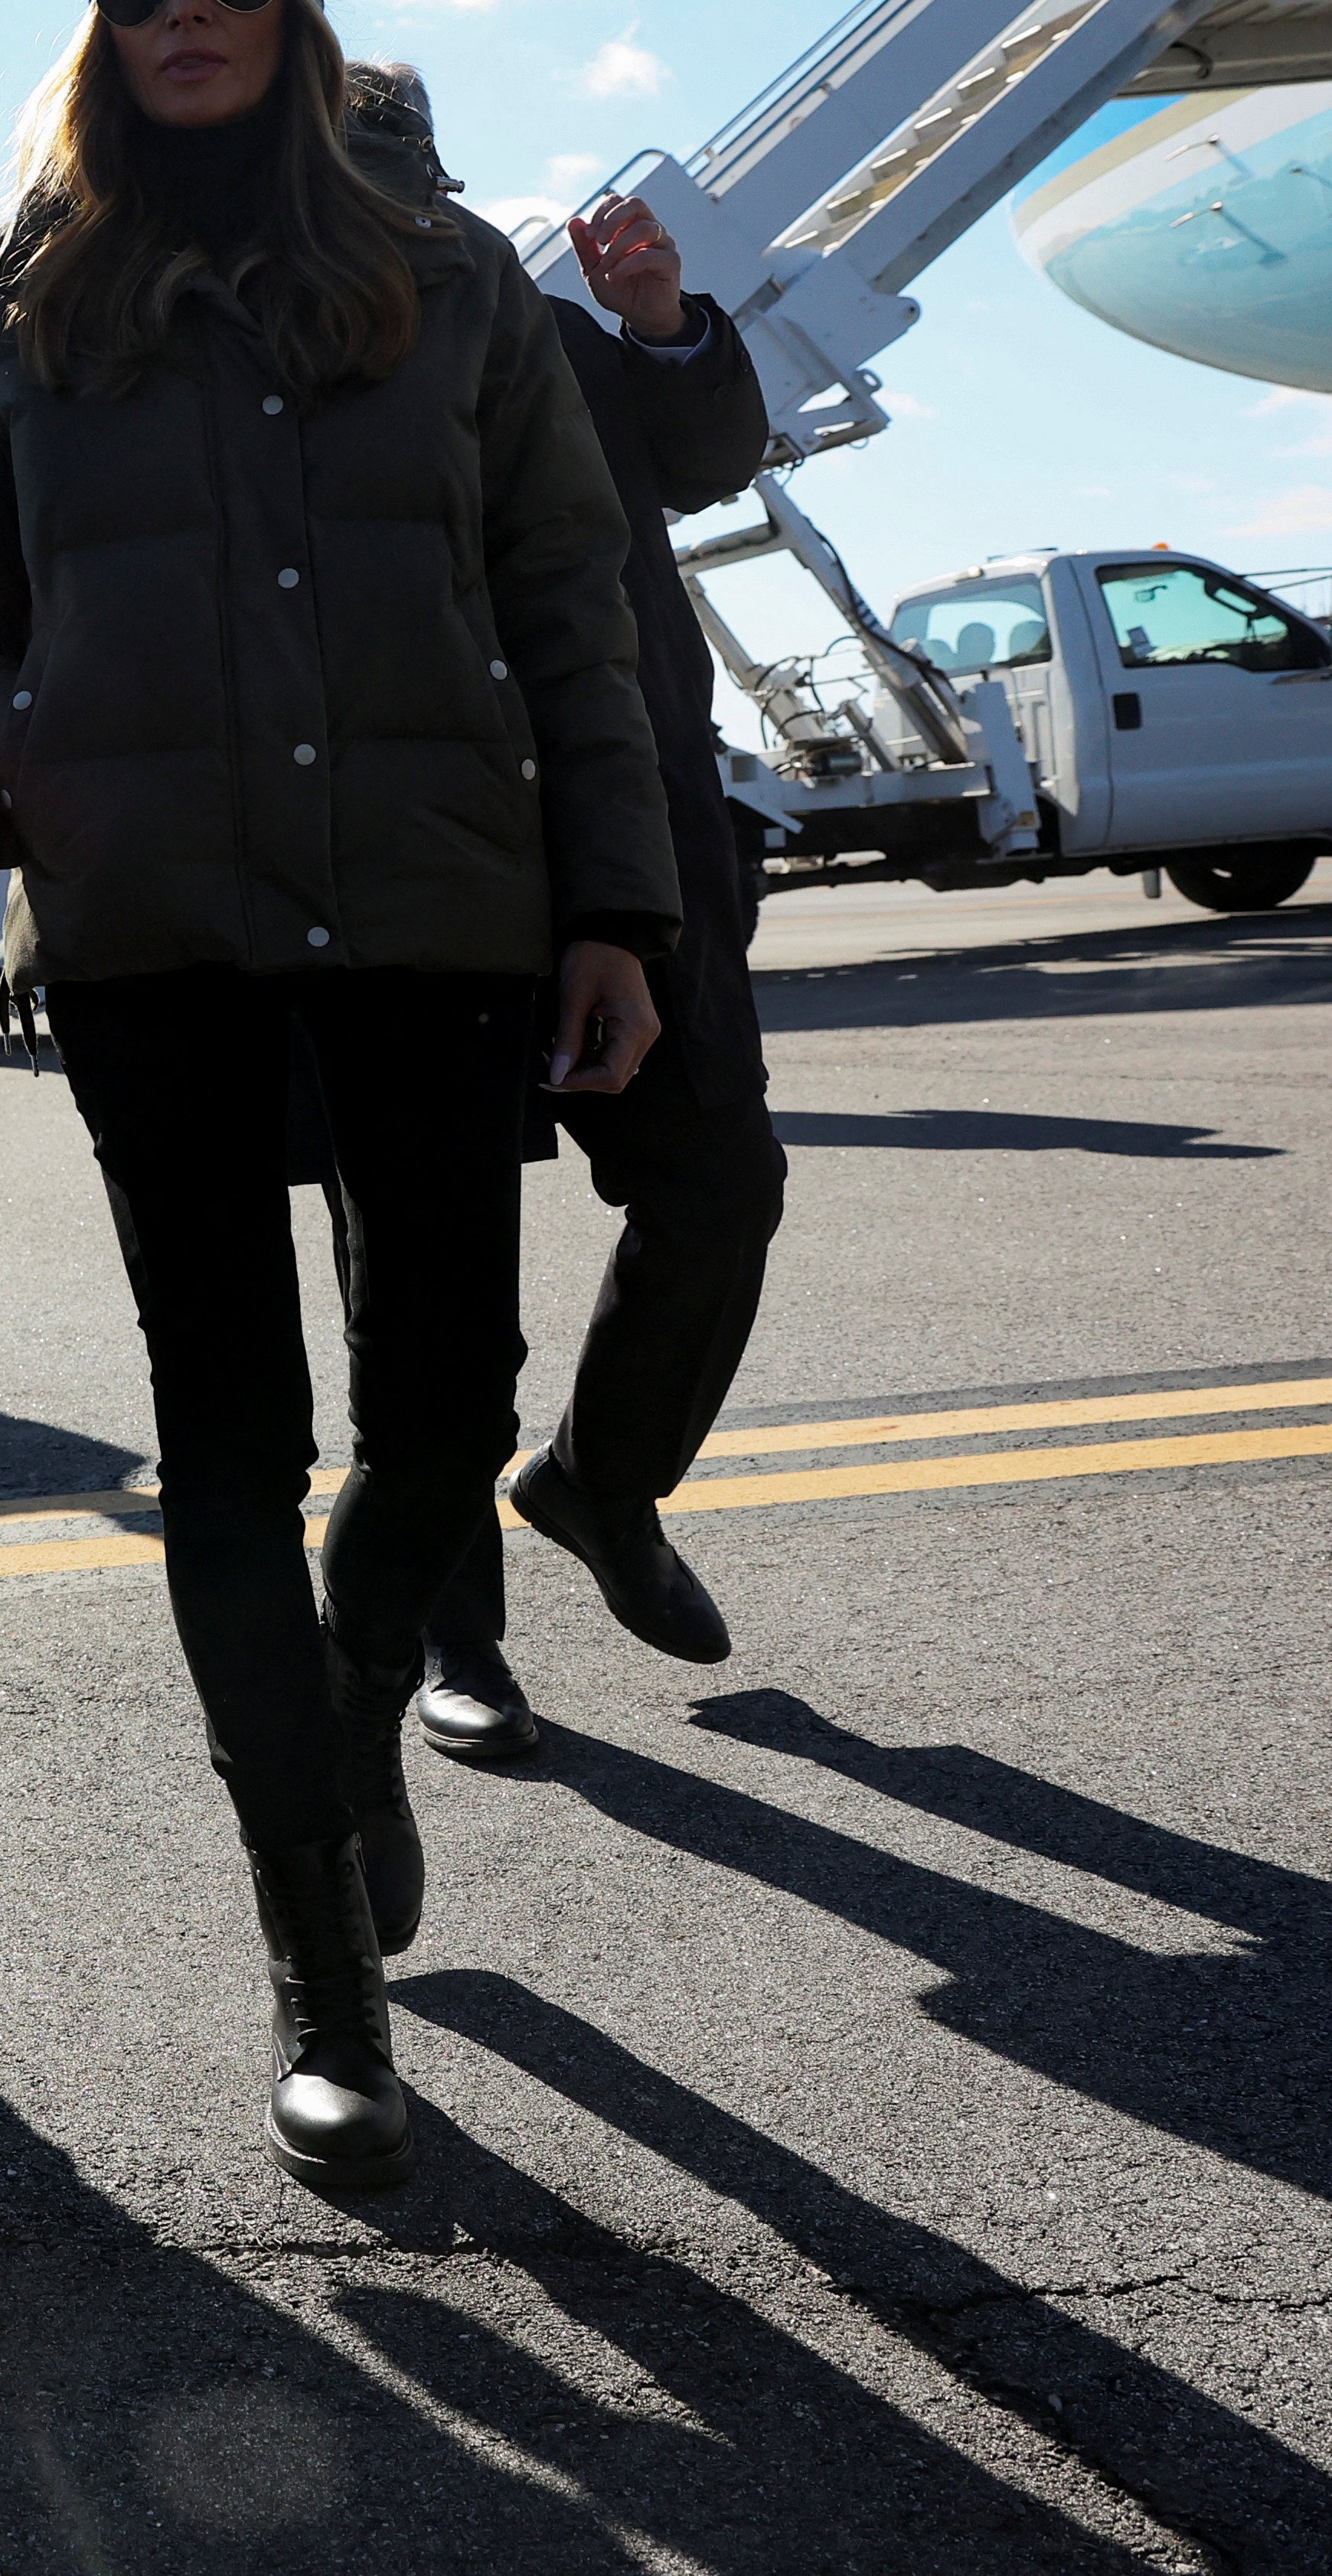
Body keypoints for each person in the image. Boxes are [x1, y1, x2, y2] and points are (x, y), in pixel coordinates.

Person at [0, 0, 679, 2195]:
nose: (180, 5)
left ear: (300, 2)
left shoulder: (444, 285)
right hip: (153, 940)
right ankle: (318, 1966)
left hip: (435, 914)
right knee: (227, 1429)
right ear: (95, 19)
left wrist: (613, 900)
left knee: (441, 1411)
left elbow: (569, 604)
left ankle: (338, 1700)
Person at [341, 97, 776, 1762]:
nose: (406, 229)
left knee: (721, 1185)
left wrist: (661, 328)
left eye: (421, 193)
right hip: (417, 878)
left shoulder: (542, 335)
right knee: (431, 1297)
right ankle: (461, 1644)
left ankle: (604, 1478)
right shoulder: (275, 367)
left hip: (625, 838)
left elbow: (705, 454)